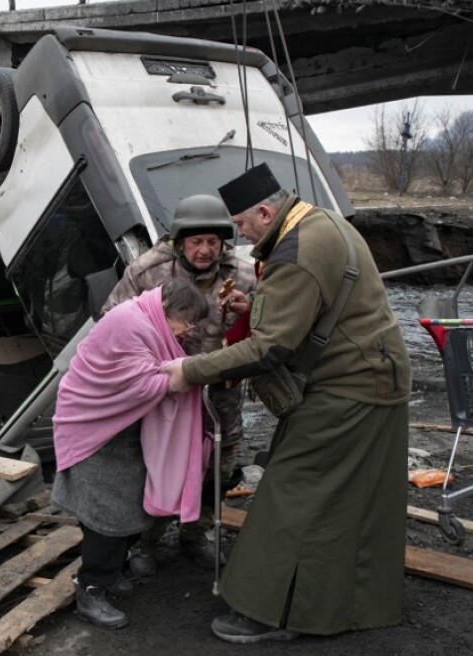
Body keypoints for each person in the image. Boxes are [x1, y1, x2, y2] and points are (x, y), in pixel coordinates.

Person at [163, 163, 411, 643]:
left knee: (291, 493)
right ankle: (345, 601)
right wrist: (256, 308)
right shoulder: (321, 221)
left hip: (350, 387)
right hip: (375, 377)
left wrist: (187, 371)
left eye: (239, 225)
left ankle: (271, 610)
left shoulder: (294, 252)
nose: (236, 235)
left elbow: (269, 349)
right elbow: (308, 306)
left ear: (264, 211)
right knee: (346, 499)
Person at [102, 194, 255, 573]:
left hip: (221, 396)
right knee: (154, 469)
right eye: (196, 242)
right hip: (161, 397)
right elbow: (111, 324)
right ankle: (144, 541)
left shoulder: (245, 275)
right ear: (180, 240)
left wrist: (249, 311)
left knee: (216, 469)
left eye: (212, 243)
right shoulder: (147, 272)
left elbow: (271, 328)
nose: (205, 251)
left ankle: (194, 534)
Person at [53, 279, 210, 629]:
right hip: (93, 430)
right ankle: (90, 591)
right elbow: (140, 384)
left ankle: (113, 572)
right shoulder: (131, 323)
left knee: (125, 508)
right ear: (168, 309)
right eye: (187, 322)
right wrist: (188, 374)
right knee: (106, 518)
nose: (188, 331)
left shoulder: (148, 320)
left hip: (119, 433)